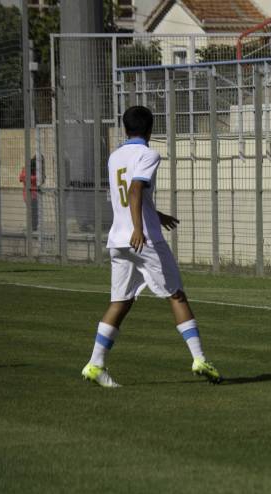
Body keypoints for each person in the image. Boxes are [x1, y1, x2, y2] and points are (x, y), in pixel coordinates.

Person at [81, 106, 222, 388]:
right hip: (142, 240)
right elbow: (134, 191)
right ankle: (199, 359)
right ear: (150, 129)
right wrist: (139, 228)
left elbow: (125, 197)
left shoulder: (115, 156)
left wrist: (156, 216)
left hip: (118, 240)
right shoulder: (148, 154)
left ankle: (95, 364)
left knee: (121, 302)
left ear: (124, 129)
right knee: (176, 295)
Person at [19, 155, 42, 230]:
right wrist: (35, 177)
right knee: (33, 211)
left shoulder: (35, 170)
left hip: (32, 194)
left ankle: (33, 227)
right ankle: (33, 227)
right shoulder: (31, 170)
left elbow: (22, 178)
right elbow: (22, 178)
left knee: (33, 211)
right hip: (30, 194)